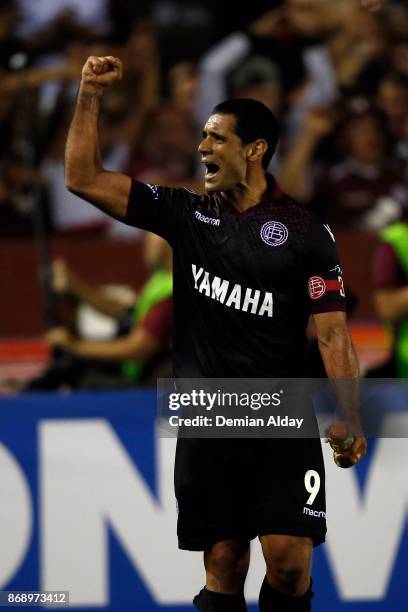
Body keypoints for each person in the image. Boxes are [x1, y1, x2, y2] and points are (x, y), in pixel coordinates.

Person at [65, 55, 367, 611]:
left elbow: (332, 333)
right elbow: (82, 179)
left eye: (216, 138)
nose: (203, 148)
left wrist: (349, 411)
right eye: (203, 136)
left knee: (289, 565)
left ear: (254, 149)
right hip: (210, 413)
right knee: (224, 565)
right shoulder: (185, 213)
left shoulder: (306, 232)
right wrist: (89, 95)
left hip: (282, 416)